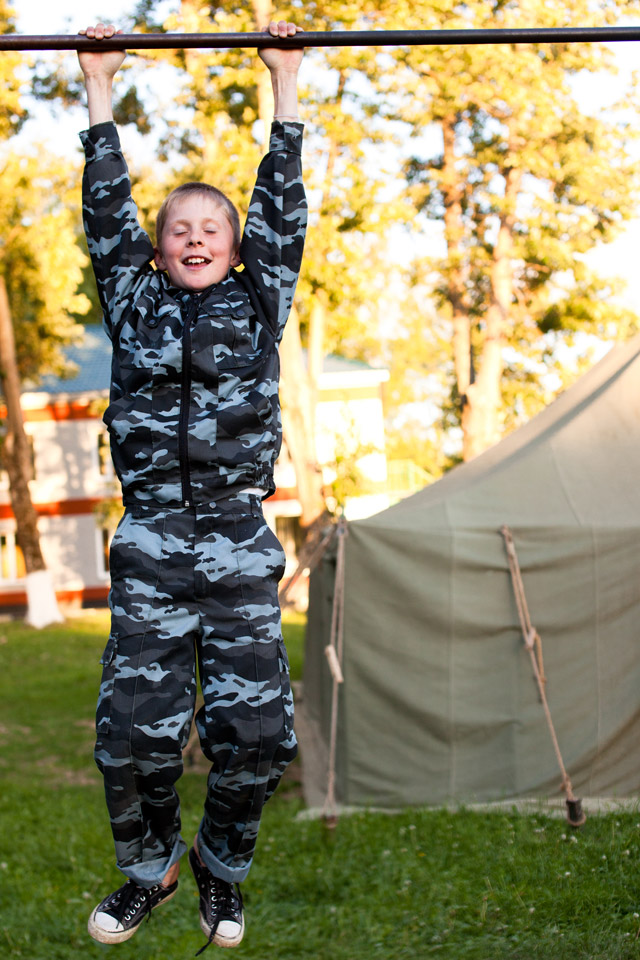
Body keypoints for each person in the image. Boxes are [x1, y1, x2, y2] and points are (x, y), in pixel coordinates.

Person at [77, 19, 306, 952]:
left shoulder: (260, 297)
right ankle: (152, 868)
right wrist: (99, 84)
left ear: (237, 245)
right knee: (132, 738)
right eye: (180, 229)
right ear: (159, 248)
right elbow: (106, 211)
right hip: (151, 541)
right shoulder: (133, 300)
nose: (197, 237)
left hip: (238, 542)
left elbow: (282, 203)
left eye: (213, 227)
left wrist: (284, 80)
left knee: (259, 736)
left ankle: (221, 864)